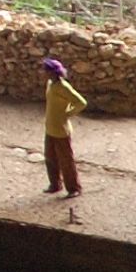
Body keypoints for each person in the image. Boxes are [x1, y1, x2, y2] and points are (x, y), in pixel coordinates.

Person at [42, 58, 88, 197]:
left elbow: (81, 102)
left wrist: (67, 114)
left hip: (61, 130)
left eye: (45, 71)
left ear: (52, 73)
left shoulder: (63, 87)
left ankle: (74, 188)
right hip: (50, 127)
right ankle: (55, 184)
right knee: (50, 158)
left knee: (66, 161)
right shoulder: (50, 84)